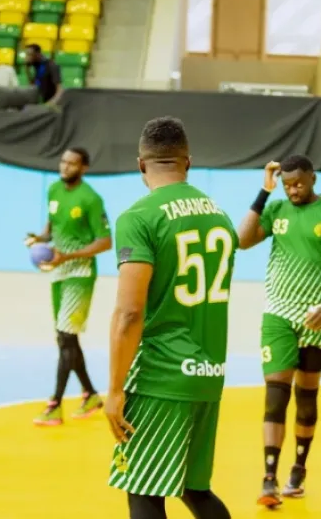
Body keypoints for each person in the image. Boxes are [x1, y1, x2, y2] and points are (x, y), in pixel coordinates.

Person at [105, 116, 236, 519]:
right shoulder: (219, 215)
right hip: (208, 371)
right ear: (188, 162)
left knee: (143, 490)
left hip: (160, 374)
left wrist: (113, 389)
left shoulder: (139, 217)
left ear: (141, 165)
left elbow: (129, 312)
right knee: (195, 490)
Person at [237, 156, 321, 507]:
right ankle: (269, 478)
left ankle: (298, 469)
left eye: (299, 184)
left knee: (306, 399)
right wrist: (264, 191)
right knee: (276, 396)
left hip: (316, 316)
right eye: (288, 185)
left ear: (313, 178)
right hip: (278, 316)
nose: (293, 190)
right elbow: (242, 240)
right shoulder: (276, 208)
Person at [28, 147, 112, 426]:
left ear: (84, 168)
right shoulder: (53, 190)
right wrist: (39, 238)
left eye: (72, 163)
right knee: (66, 338)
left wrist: (70, 256)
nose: (65, 167)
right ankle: (90, 393)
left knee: (65, 337)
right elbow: (52, 228)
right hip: (58, 272)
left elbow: (105, 242)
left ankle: (55, 404)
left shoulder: (91, 199)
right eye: (63, 162)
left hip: (79, 273)